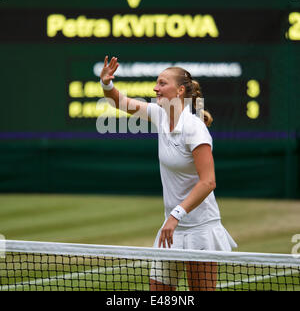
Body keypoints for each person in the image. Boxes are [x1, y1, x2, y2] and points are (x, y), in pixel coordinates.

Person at [100, 56, 237, 291]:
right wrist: (106, 84)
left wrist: (175, 215)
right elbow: (120, 102)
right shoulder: (159, 114)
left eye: (162, 83)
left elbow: (209, 182)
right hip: (171, 230)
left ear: (180, 90)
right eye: (156, 83)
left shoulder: (195, 128)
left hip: (200, 229)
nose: (155, 88)